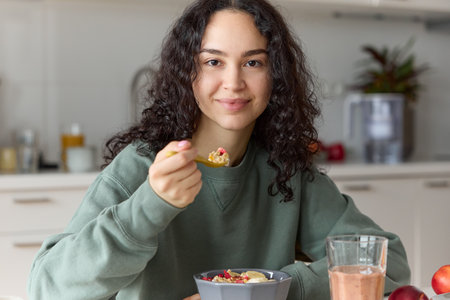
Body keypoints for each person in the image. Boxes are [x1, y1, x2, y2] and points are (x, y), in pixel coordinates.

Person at [27, 0, 411, 299]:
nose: (234, 82)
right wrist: (150, 205)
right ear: (187, 75)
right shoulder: (143, 165)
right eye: (213, 61)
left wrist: (267, 291)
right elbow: (47, 289)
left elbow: (387, 262)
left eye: (253, 62)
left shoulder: (286, 170)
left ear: (274, 75)